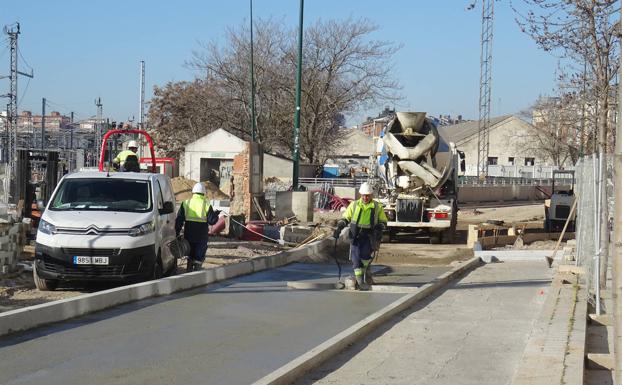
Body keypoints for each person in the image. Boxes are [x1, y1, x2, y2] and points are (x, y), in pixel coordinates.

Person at [333, 182, 388, 290]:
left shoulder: (377, 207)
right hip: (356, 235)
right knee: (356, 258)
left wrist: (379, 227)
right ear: (360, 195)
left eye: (367, 195)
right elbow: (346, 218)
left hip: (369, 236)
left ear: (371, 195)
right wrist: (339, 227)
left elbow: (383, 221)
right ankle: (360, 280)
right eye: (363, 195)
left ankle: (367, 272)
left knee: (365, 257)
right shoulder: (354, 205)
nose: (365, 197)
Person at [175, 182, 221, 272]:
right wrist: (216, 214)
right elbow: (212, 221)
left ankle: (188, 269)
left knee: (190, 253)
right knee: (199, 256)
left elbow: (179, 220)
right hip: (201, 236)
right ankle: (197, 271)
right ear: (204, 193)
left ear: (193, 192)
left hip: (189, 234)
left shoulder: (186, 203)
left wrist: (176, 232)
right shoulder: (206, 204)